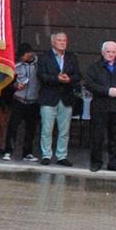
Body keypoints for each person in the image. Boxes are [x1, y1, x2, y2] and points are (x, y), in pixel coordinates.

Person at [35, 32, 80, 166]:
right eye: (59, 40)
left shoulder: (71, 57)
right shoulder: (44, 57)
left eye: (64, 40)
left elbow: (78, 75)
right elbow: (41, 76)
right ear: (53, 42)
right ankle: (46, 155)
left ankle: (61, 156)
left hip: (65, 97)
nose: (62, 43)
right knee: (47, 129)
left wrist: (70, 79)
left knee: (64, 130)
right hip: (49, 97)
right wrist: (56, 78)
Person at [85, 41, 116, 172]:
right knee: (97, 136)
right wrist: (106, 91)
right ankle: (96, 163)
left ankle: (114, 163)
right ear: (103, 52)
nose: (110, 54)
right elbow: (89, 84)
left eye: (113, 52)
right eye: (108, 52)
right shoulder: (94, 67)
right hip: (100, 106)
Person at [7, 44, 40, 162]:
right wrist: (16, 85)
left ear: (30, 54)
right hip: (19, 99)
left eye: (24, 55)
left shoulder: (39, 65)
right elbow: (8, 82)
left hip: (33, 100)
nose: (22, 57)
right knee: (13, 126)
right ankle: (8, 151)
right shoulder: (17, 65)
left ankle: (28, 152)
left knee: (31, 129)